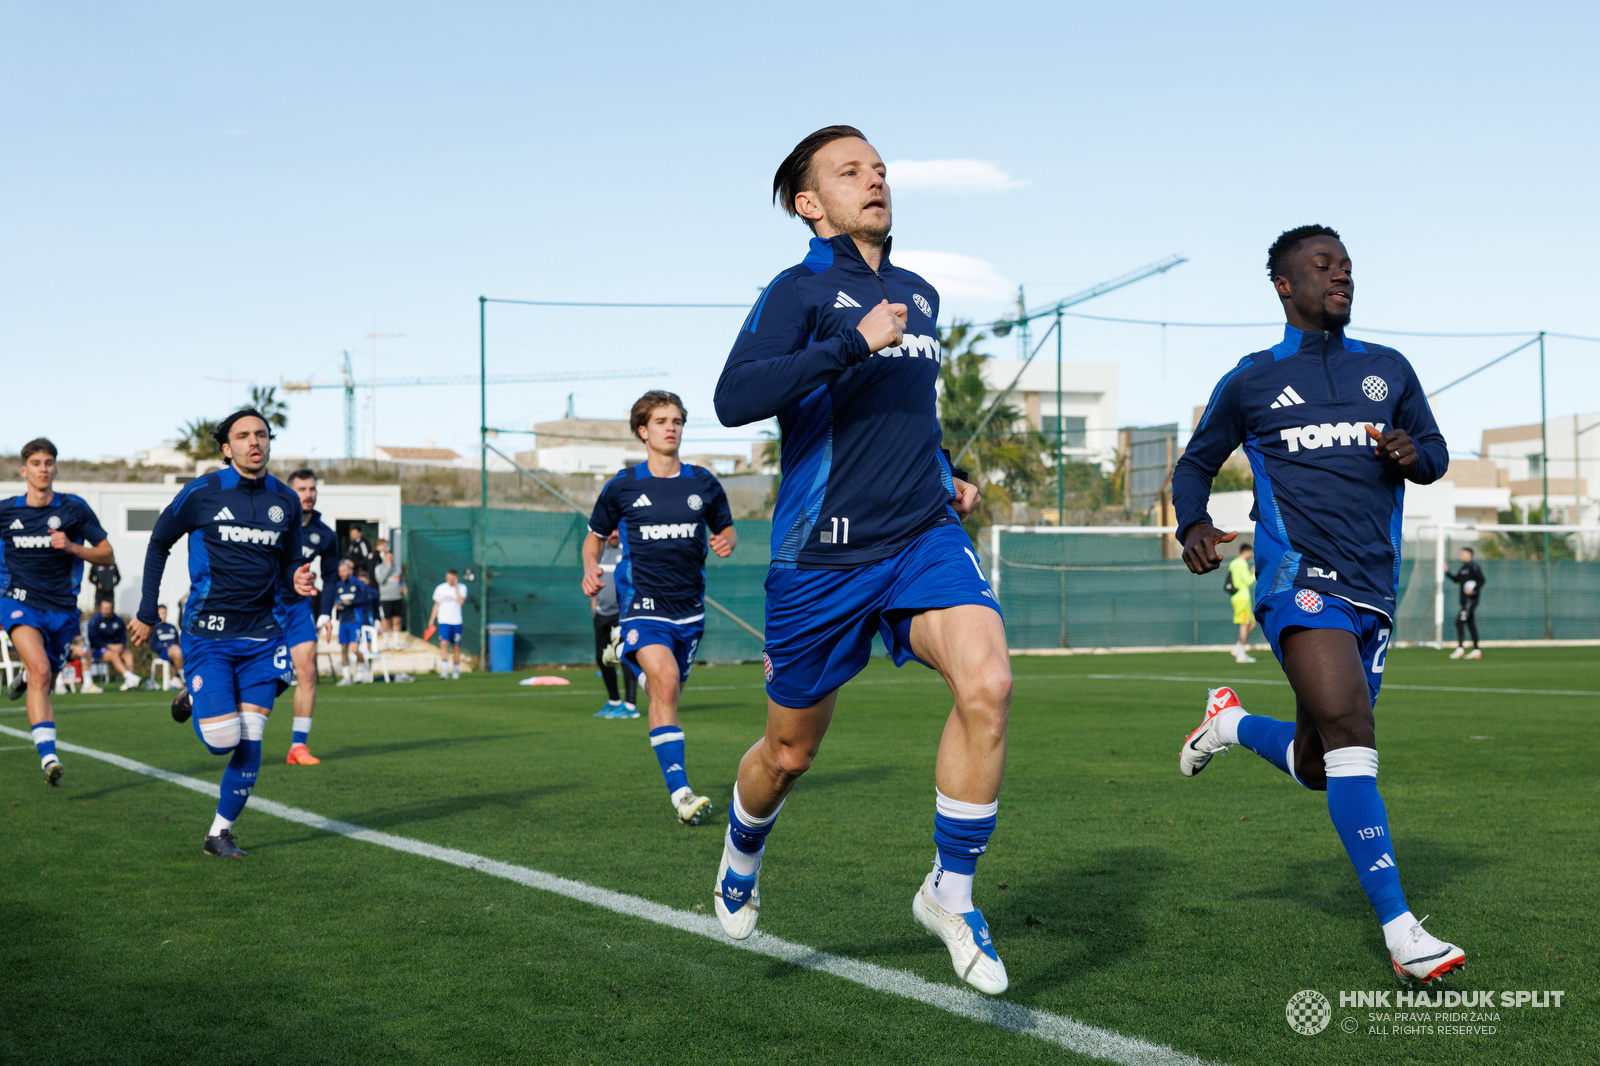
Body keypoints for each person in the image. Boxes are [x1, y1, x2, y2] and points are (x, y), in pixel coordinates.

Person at [709, 127, 1005, 994]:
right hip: (822, 556)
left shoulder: (920, 293)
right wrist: (850, 343)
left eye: (878, 167)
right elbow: (734, 399)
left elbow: (905, 414)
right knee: (788, 755)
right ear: (810, 203)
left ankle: (950, 893)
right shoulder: (797, 290)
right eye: (849, 171)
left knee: (987, 683)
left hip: (921, 536)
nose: (873, 178)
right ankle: (741, 850)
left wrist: (946, 473)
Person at [1171, 225, 1464, 986]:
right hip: (1296, 577)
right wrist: (1193, 524)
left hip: (1374, 587)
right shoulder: (1253, 379)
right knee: (1349, 726)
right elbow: (1196, 463)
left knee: (1319, 762)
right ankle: (1404, 933)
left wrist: (1413, 455)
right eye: (1323, 266)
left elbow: (1434, 453)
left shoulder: (1389, 368)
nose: (1340, 276)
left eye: (1346, 267)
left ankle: (1229, 723)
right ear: (1283, 284)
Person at [130, 408, 314, 858]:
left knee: (251, 737)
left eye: (262, 435)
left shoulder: (286, 501)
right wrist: (146, 612)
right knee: (221, 741)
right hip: (207, 635)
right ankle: (194, 694)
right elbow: (158, 542)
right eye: (244, 436)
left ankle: (219, 833)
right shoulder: (202, 493)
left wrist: (299, 578)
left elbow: (290, 562)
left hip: (263, 636)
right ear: (226, 447)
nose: (255, 442)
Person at [582, 391, 736, 824]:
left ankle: (625, 653)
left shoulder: (703, 482)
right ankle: (682, 794)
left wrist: (725, 541)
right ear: (642, 431)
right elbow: (593, 538)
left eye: (678, 420)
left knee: (664, 692)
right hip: (642, 604)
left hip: (689, 611)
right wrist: (591, 567)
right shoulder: (623, 485)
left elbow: (726, 528)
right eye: (662, 420)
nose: (672, 427)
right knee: (664, 681)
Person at [1, 437, 116, 785]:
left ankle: (24, 679)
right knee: (40, 670)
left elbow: (107, 554)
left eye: (48, 463)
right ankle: (49, 758)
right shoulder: (6, 511)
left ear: (55, 468)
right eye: (36, 463)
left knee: (44, 675)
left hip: (63, 609)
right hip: (18, 601)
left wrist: (72, 546)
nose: (43, 469)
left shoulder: (74, 509)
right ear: (24, 470)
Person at [280, 467, 341, 762]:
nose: (308, 494)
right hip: (263, 608)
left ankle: (298, 746)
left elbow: (331, 577)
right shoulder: (273, 523)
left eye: (312, 489)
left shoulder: (325, 534)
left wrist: (325, 614)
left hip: (299, 609)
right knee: (260, 677)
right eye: (302, 489)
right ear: (290, 491)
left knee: (307, 673)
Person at [589, 530, 638, 719]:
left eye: (617, 530)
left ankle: (630, 706)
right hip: (601, 613)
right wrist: (593, 607)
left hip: (622, 613)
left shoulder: (626, 551)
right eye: (611, 531)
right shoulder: (598, 553)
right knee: (602, 658)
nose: (614, 534)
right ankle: (614, 701)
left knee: (625, 657)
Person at [328, 559, 371, 686]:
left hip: (355, 620)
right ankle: (347, 677)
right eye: (340, 571)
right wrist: (337, 604)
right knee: (343, 649)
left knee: (354, 648)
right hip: (343, 620)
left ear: (349, 571)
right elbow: (334, 598)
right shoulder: (338, 585)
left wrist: (351, 602)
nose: (342, 573)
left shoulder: (357, 584)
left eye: (344, 571)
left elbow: (364, 598)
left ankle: (363, 668)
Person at [87, 599, 141, 691]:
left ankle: (129, 683)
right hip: (100, 649)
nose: (105, 610)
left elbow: (123, 636)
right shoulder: (95, 620)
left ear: (112, 609)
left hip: (118, 647)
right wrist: (108, 646)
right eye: (103, 608)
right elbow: (93, 639)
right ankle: (130, 677)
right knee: (114, 655)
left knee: (128, 655)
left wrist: (121, 645)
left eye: (107, 608)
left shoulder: (118, 620)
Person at [1445, 547, 1486, 660]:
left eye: (1462, 554)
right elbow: (1456, 579)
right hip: (1464, 602)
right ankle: (1476, 651)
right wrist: (1446, 572)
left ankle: (1460, 649)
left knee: (1459, 622)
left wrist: (1474, 590)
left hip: (1471, 601)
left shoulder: (1474, 567)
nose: (1460, 556)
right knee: (1470, 625)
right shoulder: (1463, 568)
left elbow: (1482, 580)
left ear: (1469, 554)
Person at [427, 569, 467, 679]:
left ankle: (455, 671)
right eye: (448, 578)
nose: (449, 580)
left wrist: (456, 588)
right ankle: (444, 671)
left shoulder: (462, 588)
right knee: (443, 644)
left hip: (456, 621)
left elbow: (461, 601)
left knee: (456, 647)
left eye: (452, 578)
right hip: (444, 621)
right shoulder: (440, 588)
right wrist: (432, 619)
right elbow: (436, 605)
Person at [1225, 542, 1257, 662]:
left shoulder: (1234, 563)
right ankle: (1241, 654)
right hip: (1242, 598)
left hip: (1238, 598)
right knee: (1244, 624)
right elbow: (1248, 581)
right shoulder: (1242, 564)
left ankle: (1238, 648)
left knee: (1252, 624)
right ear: (1246, 551)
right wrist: (1254, 573)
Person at [375, 549, 406, 649]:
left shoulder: (397, 567)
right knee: (386, 621)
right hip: (386, 598)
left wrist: (404, 587)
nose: (390, 559)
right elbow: (380, 580)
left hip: (397, 597)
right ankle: (386, 643)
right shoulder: (379, 568)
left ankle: (396, 643)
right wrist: (387, 568)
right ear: (384, 558)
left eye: (391, 557)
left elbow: (401, 580)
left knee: (396, 620)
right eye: (388, 557)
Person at [151, 604, 185, 689]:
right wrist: (165, 647)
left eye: (165, 613)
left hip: (176, 651)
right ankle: (184, 679)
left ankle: (176, 678)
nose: (163, 615)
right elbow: (152, 645)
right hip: (163, 652)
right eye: (161, 613)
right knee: (176, 651)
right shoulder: (154, 628)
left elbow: (178, 641)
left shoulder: (171, 627)